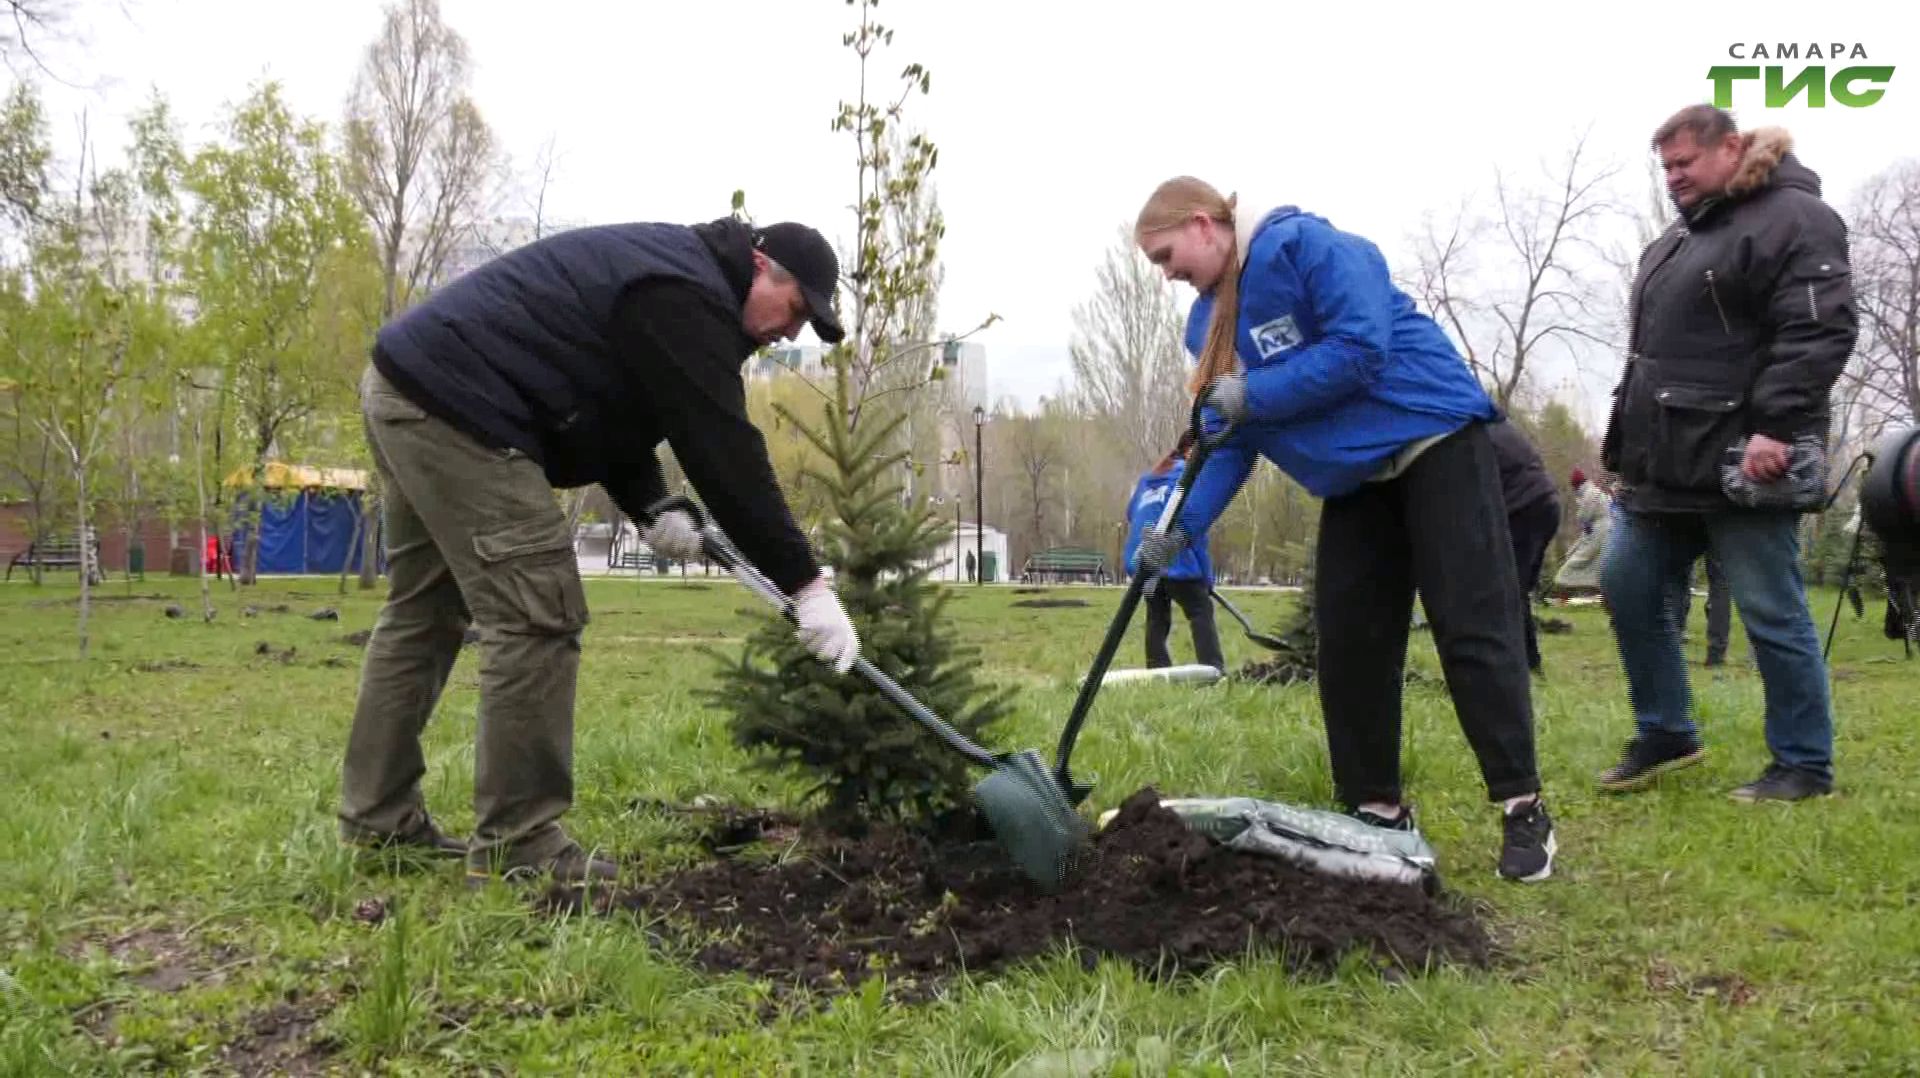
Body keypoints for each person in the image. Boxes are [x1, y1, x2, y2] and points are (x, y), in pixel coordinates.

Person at [339, 215, 862, 884]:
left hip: (406, 387)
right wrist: (806, 585)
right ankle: (519, 846)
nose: (790, 333)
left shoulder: (674, 278)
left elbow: (609, 405)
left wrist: (651, 504)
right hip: (458, 409)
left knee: (424, 612)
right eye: (795, 311)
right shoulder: (688, 294)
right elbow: (723, 451)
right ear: (763, 267)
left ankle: (377, 822)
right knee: (537, 613)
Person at [1130, 176, 1555, 882]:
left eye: (1167, 255)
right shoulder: (1206, 327)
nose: (1167, 273)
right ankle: (1377, 811)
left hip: (1434, 441)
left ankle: (1523, 808)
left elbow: (1362, 348)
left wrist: (1255, 392)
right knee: (1351, 643)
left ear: (1206, 225)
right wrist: (1177, 528)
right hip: (1356, 482)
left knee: (1471, 626)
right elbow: (1229, 436)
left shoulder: (1307, 247)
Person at [1598, 106, 1855, 802]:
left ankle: (1804, 763)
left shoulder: (1795, 218)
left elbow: (1818, 329)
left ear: (1733, 148)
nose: (1674, 177)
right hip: (1660, 462)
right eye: (1667, 167)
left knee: (1770, 609)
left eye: (1685, 163)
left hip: (1744, 458)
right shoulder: (1683, 236)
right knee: (1627, 587)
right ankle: (1666, 732)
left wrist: (1776, 426)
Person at [1123, 431, 1226, 672]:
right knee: (1199, 609)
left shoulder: (1150, 478)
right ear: (1191, 451)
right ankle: (1213, 669)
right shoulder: (1189, 478)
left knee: (1157, 613)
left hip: (1140, 558)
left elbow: (1131, 513)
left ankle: (1156, 669)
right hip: (1169, 555)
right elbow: (1195, 532)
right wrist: (1206, 579)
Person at [1486, 419, 1561, 674]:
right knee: (1516, 590)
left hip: (1525, 508)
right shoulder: (1498, 425)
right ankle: (1527, 662)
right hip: (1546, 504)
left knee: (1509, 591)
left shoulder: (1469, 432)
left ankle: (1524, 664)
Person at [1549, 468, 1611, 600]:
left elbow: (1584, 516)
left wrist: (1583, 522)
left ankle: (1563, 582)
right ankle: (1595, 589)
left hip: (1599, 531)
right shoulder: (1594, 492)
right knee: (1593, 559)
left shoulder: (1590, 494)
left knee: (1581, 557)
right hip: (1602, 530)